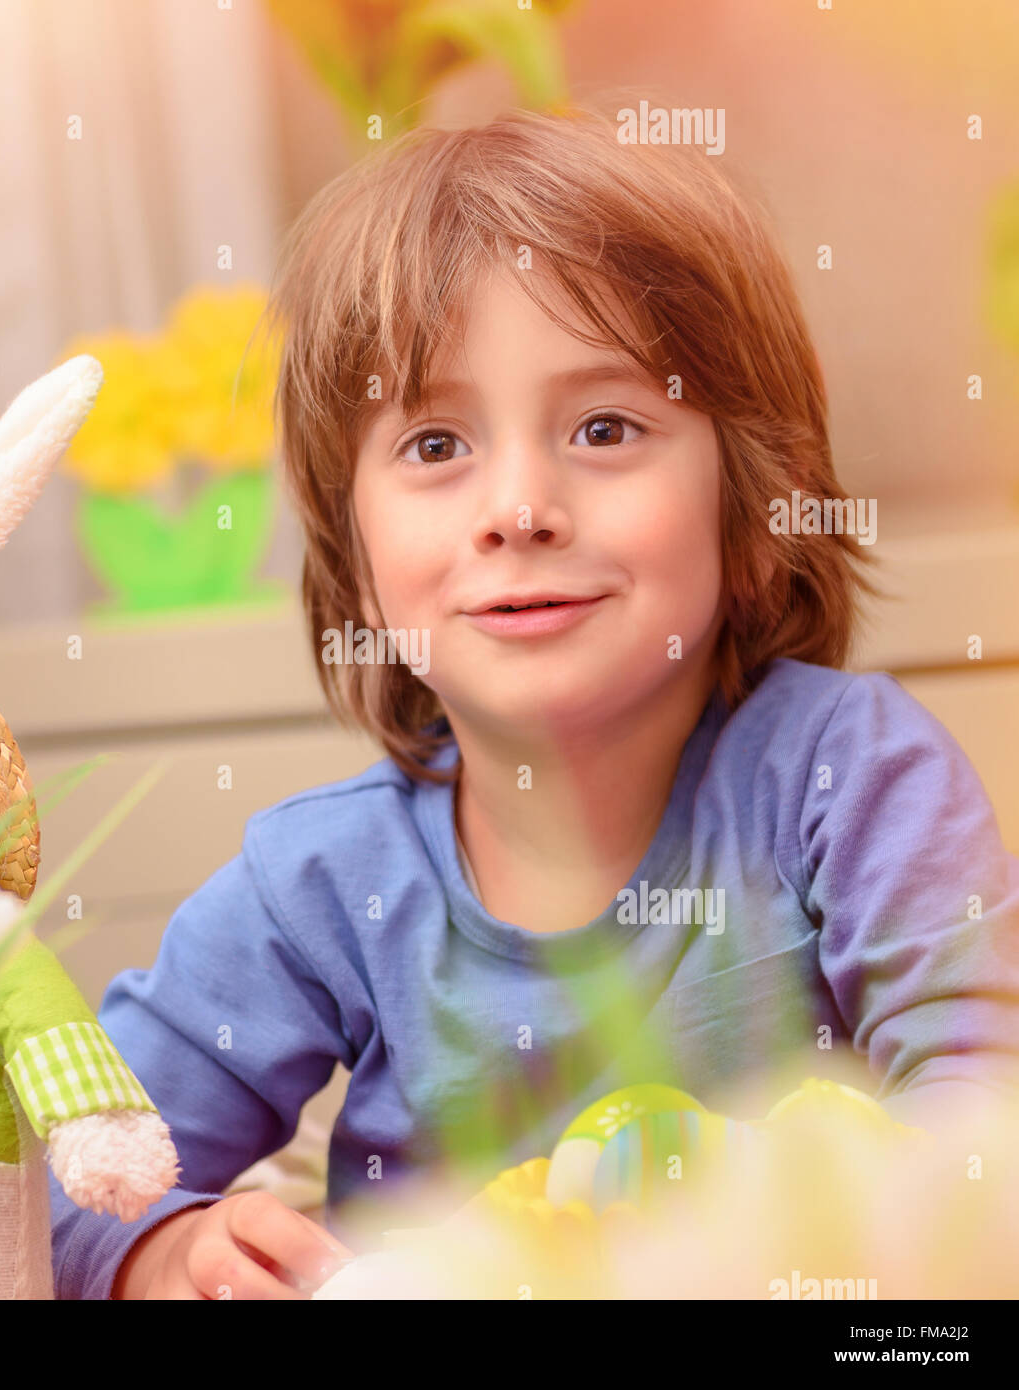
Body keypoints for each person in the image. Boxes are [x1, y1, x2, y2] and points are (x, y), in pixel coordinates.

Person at [50, 107, 1019, 1300]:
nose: (517, 505)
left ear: (755, 514)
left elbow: (987, 1130)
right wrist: (158, 1246)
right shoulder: (318, 889)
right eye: (436, 443)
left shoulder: (847, 778)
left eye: (603, 427)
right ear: (355, 559)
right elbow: (74, 1168)